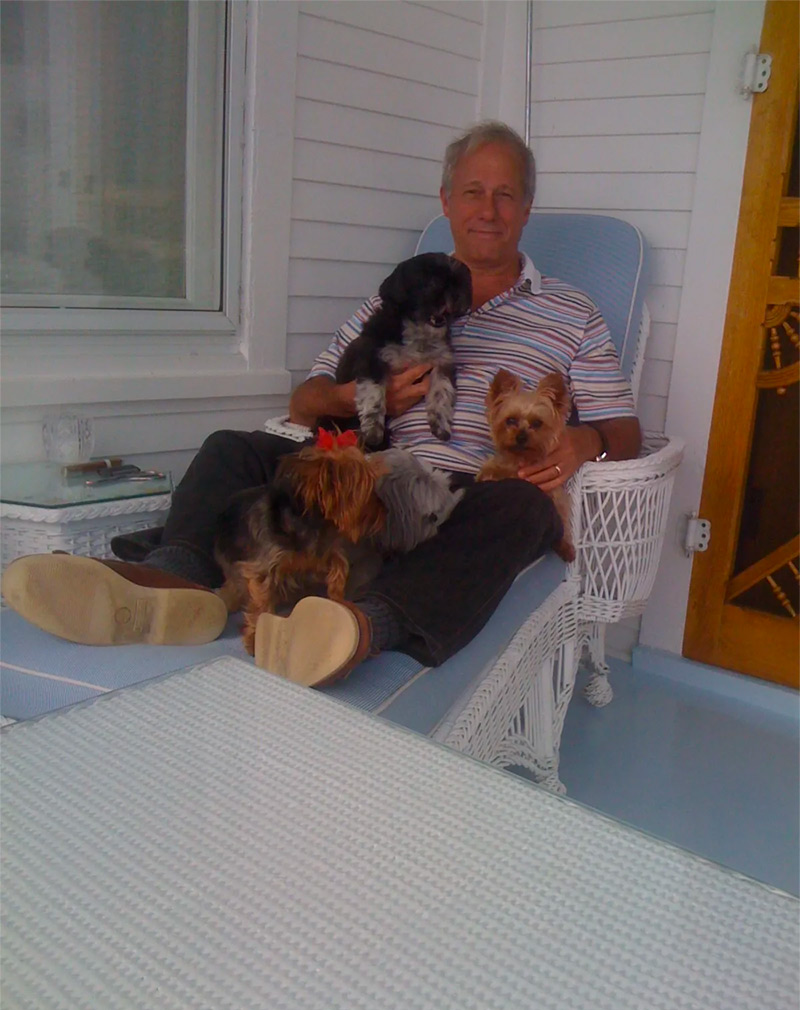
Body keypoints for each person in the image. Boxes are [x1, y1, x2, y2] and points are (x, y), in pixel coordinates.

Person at [3, 122, 641, 686]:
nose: (489, 209)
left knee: (523, 508)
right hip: (358, 471)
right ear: (447, 202)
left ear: (527, 207)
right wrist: (360, 396)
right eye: (473, 191)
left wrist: (586, 442)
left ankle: (358, 628)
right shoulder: (399, 293)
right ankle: (176, 586)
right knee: (231, 447)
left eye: (506, 194)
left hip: (461, 491)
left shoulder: (570, 313)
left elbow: (626, 431)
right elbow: (305, 402)